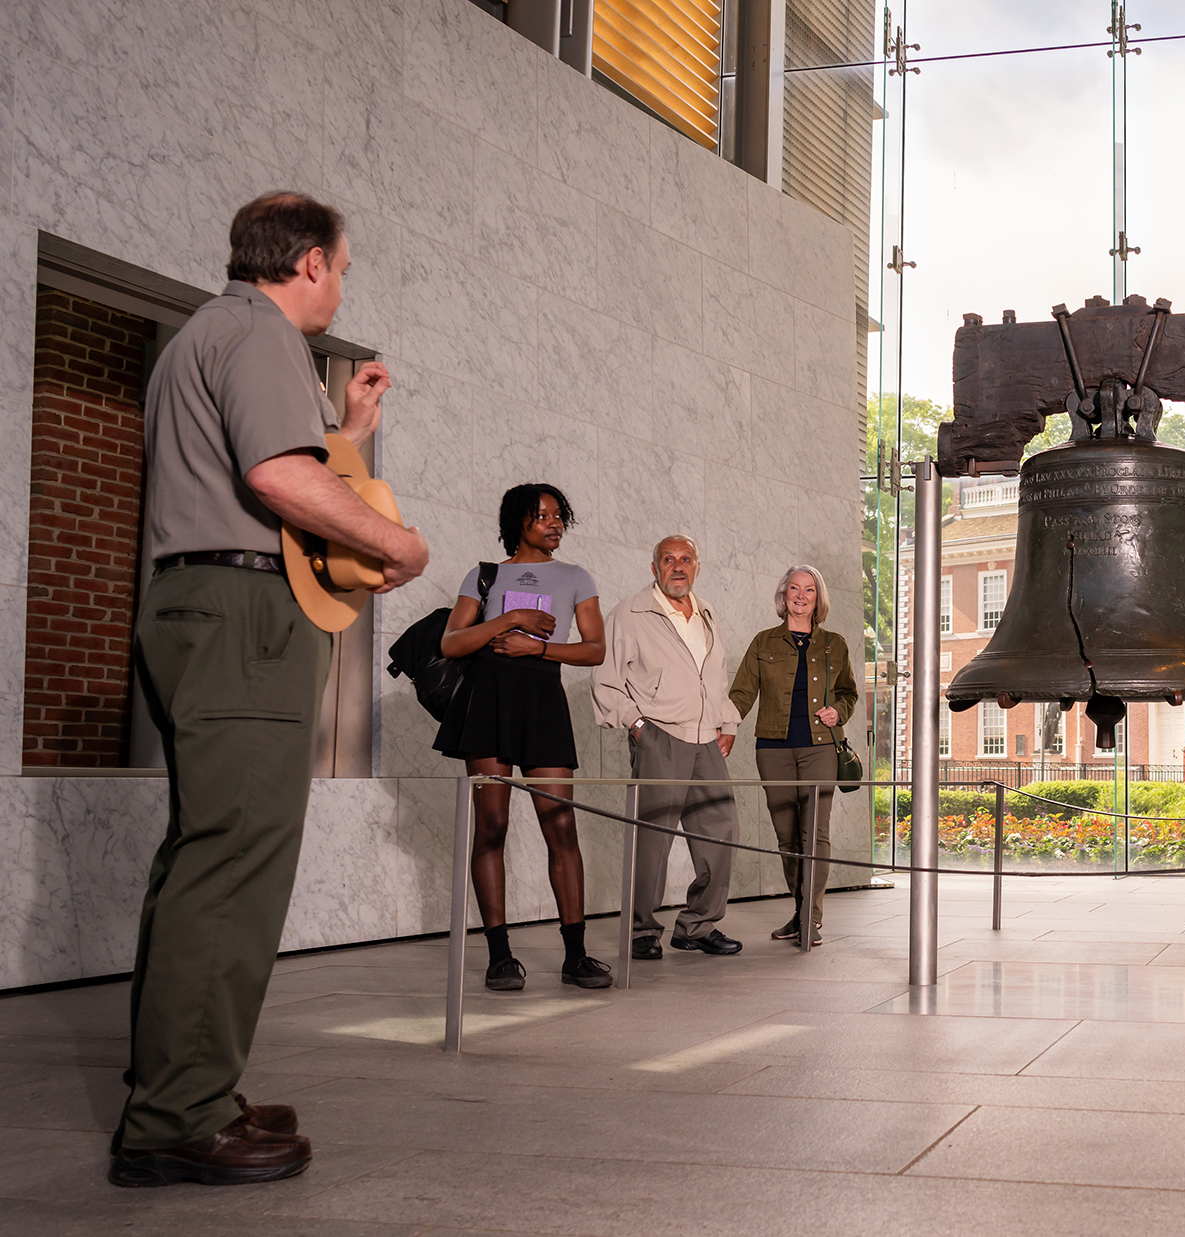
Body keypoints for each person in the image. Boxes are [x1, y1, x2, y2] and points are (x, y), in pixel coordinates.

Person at [113, 192, 431, 1188]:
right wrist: (397, 541)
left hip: (201, 608)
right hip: (241, 619)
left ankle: (184, 1080)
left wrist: (348, 428)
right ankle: (176, 1117)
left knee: (204, 855)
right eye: (341, 266)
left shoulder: (208, 335)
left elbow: (278, 467)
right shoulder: (255, 334)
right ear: (306, 265)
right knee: (233, 865)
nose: (342, 282)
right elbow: (279, 482)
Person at [436, 484, 609, 993]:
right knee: (491, 825)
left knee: (560, 825)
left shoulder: (577, 577)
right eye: (542, 515)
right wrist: (509, 620)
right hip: (488, 707)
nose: (554, 523)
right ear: (519, 521)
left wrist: (537, 649)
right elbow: (451, 642)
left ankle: (576, 955)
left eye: (559, 516)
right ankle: (500, 956)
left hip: (542, 705)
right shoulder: (483, 575)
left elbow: (595, 650)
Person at [593, 535, 744, 961]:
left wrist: (727, 719)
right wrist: (638, 726)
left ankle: (697, 925)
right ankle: (642, 931)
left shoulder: (706, 613)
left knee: (722, 834)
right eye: (668, 560)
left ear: (698, 566)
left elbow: (715, 677)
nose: (678, 567)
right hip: (660, 736)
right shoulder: (631, 612)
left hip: (707, 740)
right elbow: (606, 677)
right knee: (652, 841)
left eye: (686, 560)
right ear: (654, 568)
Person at [729, 565, 859, 947]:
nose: (801, 596)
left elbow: (849, 693)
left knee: (814, 833)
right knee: (787, 837)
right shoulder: (763, 642)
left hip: (821, 747)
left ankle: (811, 919)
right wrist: (721, 726)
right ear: (783, 595)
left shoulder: (835, 643)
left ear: (818, 599)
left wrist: (839, 711)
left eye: (809, 591)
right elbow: (741, 694)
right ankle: (800, 911)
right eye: (794, 589)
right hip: (773, 749)